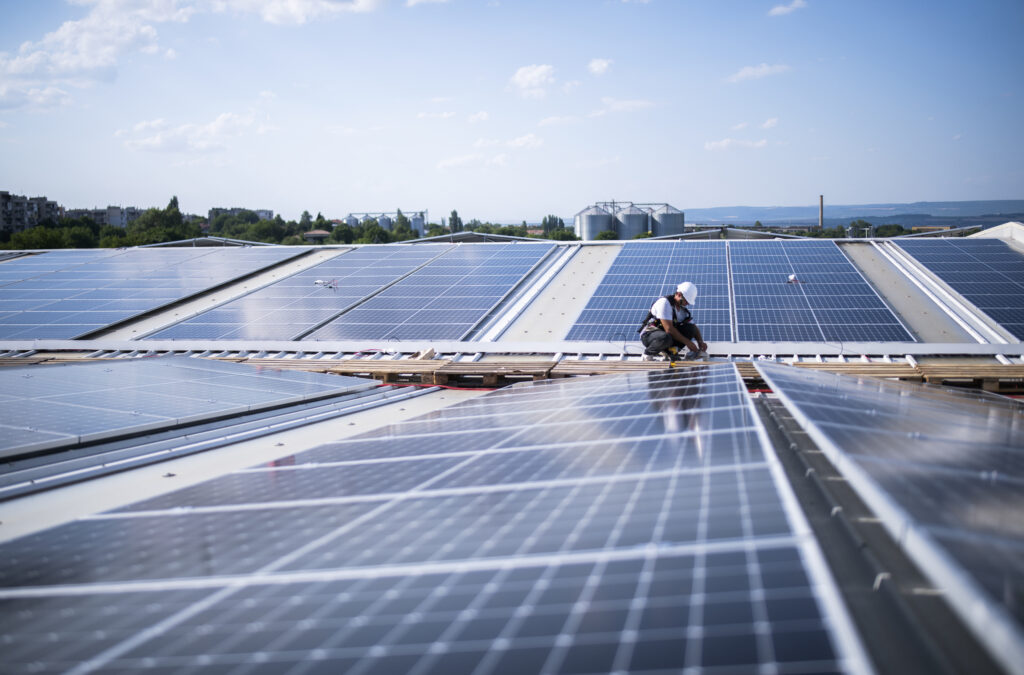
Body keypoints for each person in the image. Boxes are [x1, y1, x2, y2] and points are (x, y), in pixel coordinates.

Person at [639, 281, 708, 361]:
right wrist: (688, 343)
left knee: (691, 329)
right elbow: (669, 329)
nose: (687, 304)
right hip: (649, 335)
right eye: (686, 301)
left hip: (666, 336)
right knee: (665, 337)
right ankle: (648, 354)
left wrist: (700, 342)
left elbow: (694, 327)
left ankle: (671, 351)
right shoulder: (664, 303)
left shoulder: (682, 311)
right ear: (679, 294)